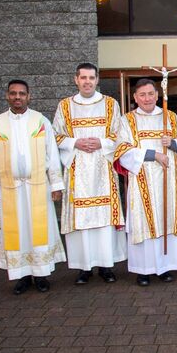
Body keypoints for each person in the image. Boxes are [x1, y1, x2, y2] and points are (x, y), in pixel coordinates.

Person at [0, 80, 66, 294]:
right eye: (13, 93)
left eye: (21, 94)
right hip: (10, 189)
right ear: (7, 96)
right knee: (17, 233)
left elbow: (52, 154)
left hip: (38, 186)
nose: (17, 97)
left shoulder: (40, 121)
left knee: (39, 232)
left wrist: (56, 184)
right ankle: (22, 276)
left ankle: (42, 275)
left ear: (29, 96)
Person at [53, 62, 127, 285]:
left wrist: (101, 142)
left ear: (97, 80)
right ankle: (83, 268)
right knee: (81, 219)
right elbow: (55, 136)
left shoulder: (110, 104)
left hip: (102, 168)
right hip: (77, 168)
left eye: (91, 78)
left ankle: (106, 265)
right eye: (83, 78)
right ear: (76, 80)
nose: (87, 82)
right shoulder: (65, 106)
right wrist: (76, 142)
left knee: (104, 218)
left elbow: (120, 135)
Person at [114, 78, 177, 286]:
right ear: (135, 98)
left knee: (167, 217)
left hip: (168, 181)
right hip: (141, 180)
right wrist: (153, 154)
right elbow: (122, 150)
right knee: (143, 220)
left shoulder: (170, 118)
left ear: (157, 95)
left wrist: (172, 143)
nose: (147, 98)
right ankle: (143, 270)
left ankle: (164, 267)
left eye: (151, 94)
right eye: (142, 95)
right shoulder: (127, 120)